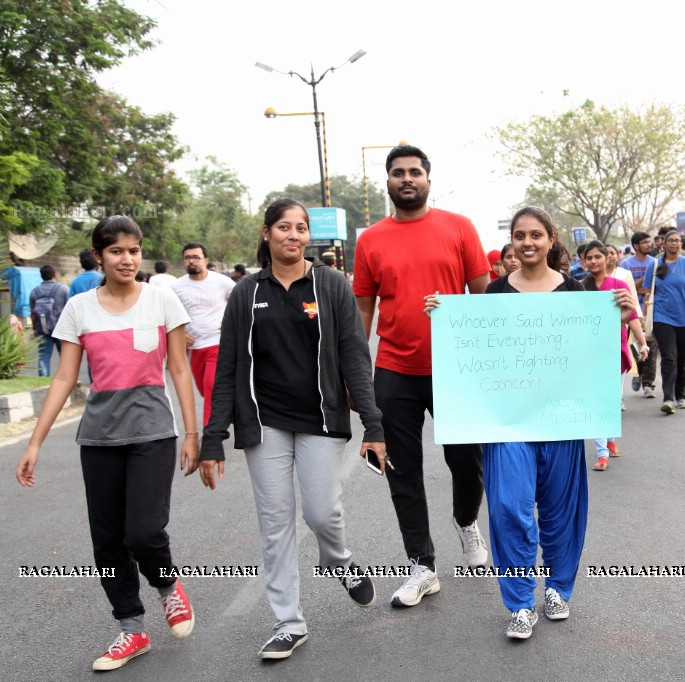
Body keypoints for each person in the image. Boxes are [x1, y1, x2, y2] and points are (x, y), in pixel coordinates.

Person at [424, 208, 637, 639]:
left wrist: (622, 311)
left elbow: (592, 355)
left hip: (561, 422)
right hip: (510, 425)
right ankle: (520, 602)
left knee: (561, 511)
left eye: (536, 234)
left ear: (550, 238)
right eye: (519, 235)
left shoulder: (577, 292)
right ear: (513, 243)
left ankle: (558, 588)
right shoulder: (495, 294)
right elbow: (473, 352)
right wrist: (442, 319)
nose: (527, 242)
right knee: (507, 508)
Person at [198, 198, 386, 660]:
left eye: (301, 228)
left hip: (321, 418)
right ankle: (288, 621)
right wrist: (213, 437)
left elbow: (354, 356)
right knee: (275, 522)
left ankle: (339, 561)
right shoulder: (246, 293)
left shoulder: (330, 286)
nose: (294, 235)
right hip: (264, 423)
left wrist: (373, 423)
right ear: (267, 234)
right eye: (284, 227)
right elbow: (228, 368)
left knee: (322, 514)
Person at [16, 215, 200, 672]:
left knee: (143, 531)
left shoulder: (161, 300)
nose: (127, 258)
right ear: (98, 255)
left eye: (133, 250)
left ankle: (167, 586)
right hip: (98, 438)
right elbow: (64, 378)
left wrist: (193, 433)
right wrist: (35, 442)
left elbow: (179, 369)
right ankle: (131, 629)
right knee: (108, 541)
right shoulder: (79, 307)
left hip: (153, 433)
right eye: (116, 251)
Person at [353, 144, 490, 607]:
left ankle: (467, 523)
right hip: (394, 369)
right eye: (397, 173)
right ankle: (422, 566)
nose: (406, 179)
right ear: (388, 182)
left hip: (456, 369)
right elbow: (363, 311)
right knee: (401, 469)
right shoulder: (371, 239)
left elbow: (484, 299)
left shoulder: (459, 227)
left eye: (414, 172)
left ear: (429, 179)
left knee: (467, 463)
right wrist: (355, 376)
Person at [580, 240, 647, 470]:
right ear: (583, 261)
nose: (593, 261)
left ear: (607, 258)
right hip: (589, 354)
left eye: (597, 256)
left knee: (610, 400)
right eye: (589, 258)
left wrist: (643, 343)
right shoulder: (580, 288)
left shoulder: (618, 285)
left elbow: (632, 316)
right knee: (599, 401)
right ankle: (602, 454)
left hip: (615, 351)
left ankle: (609, 440)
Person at [171, 243, 236, 427]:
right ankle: (226, 409)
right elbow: (165, 316)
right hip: (194, 347)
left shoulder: (222, 282)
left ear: (205, 260)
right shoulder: (176, 287)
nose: (191, 261)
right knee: (204, 390)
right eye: (187, 257)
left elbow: (240, 302)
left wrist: (231, 325)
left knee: (211, 387)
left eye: (195, 257)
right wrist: (180, 333)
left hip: (217, 344)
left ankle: (210, 435)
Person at [642, 229, 685, 415]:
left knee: (682, 359)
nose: (674, 243)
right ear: (664, 244)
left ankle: (681, 395)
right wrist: (644, 316)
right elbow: (648, 292)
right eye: (671, 241)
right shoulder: (655, 265)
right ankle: (668, 397)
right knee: (669, 357)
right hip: (662, 317)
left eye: (677, 241)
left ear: (680, 245)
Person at [621, 231, 659, 396]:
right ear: (636, 246)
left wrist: (640, 287)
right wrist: (645, 278)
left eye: (649, 242)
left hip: (651, 311)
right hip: (632, 312)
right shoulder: (626, 264)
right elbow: (626, 288)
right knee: (634, 346)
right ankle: (639, 373)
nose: (649, 245)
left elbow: (656, 287)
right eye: (644, 242)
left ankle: (648, 384)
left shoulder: (656, 262)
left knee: (651, 346)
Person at [29, 264, 69, 377]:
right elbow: (70, 309)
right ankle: (66, 379)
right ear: (54, 274)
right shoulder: (63, 289)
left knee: (43, 355)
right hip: (61, 329)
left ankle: (43, 381)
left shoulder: (34, 292)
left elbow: (32, 313)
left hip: (43, 329)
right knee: (65, 356)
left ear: (41, 276)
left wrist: (35, 329)